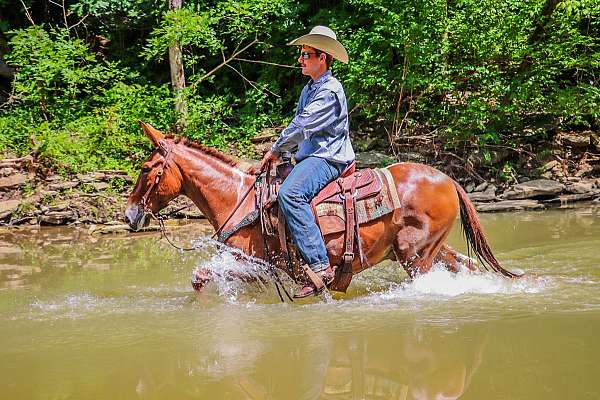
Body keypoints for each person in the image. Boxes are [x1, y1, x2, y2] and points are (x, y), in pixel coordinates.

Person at [259, 26, 355, 298]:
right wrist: (287, 157)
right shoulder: (309, 89)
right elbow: (300, 128)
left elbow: (303, 126)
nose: (300, 60)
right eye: (301, 54)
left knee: (291, 194)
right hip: (311, 155)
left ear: (322, 58)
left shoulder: (330, 91)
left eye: (306, 54)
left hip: (329, 157)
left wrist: (277, 150)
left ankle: (320, 265)